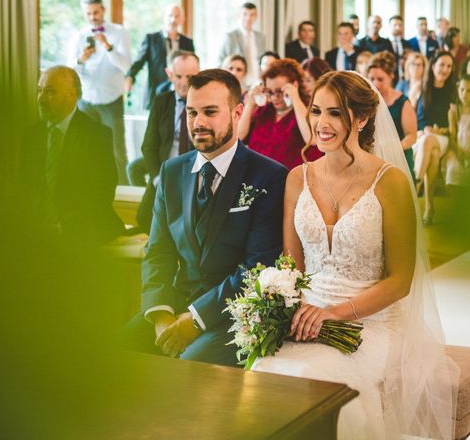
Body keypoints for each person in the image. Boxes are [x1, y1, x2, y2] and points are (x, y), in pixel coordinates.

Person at [251, 70, 457, 440]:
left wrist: (334, 313)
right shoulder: (297, 178)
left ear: (361, 119)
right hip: (308, 317)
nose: (321, 124)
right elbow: (291, 264)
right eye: (316, 111)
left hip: (371, 322)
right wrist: (285, 309)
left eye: (335, 113)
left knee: (320, 385)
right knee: (264, 376)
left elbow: (400, 281)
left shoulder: (390, 181)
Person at [122, 69, 288, 366]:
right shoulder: (171, 172)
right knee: (117, 352)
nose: (197, 123)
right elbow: (158, 252)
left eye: (210, 112)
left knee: (187, 367)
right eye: (191, 112)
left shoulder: (270, 177)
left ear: (238, 113)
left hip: (230, 315)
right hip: (172, 305)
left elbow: (256, 267)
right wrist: (161, 316)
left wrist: (196, 319)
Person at [19, 66, 124, 241]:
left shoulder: (96, 135)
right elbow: (24, 188)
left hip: (81, 233)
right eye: (39, 91)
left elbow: (101, 193)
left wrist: (65, 228)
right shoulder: (31, 135)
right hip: (36, 234)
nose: (41, 99)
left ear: (72, 95)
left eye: (50, 92)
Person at [68, 0, 131, 184]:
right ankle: (89, 187)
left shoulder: (120, 33)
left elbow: (126, 66)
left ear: (103, 10)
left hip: (111, 101)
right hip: (85, 101)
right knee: (85, 147)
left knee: (117, 150)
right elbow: (69, 69)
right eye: (88, 14)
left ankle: (123, 191)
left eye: (95, 12)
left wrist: (108, 46)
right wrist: (81, 59)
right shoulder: (79, 36)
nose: (92, 17)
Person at [135, 50, 201, 233]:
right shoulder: (161, 102)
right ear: (169, 74)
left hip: (196, 174)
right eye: (178, 76)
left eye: (190, 76)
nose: (184, 82)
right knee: (144, 219)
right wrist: (156, 178)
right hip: (164, 174)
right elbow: (148, 146)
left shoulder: (206, 105)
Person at [239, 59, 322, 170]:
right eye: (270, 91)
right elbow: (238, 137)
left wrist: (295, 98)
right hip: (257, 179)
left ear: (294, 85)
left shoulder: (308, 108)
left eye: (279, 91)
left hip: (292, 181)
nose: (274, 97)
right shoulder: (264, 110)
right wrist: (250, 104)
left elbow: (312, 139)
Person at [125, 5, 195, 111]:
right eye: (170, 15)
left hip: (181, 93)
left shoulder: (187, 42)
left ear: (182, 19)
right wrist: (130, 77)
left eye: (177, 16)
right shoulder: (151, 39)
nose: (173, 20)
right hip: (156, 92)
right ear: (164, 17)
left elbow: (193, 66)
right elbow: (139, 61)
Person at [413, 51, 456, 224]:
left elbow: (455, 125)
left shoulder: (453, 90)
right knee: (433, 154)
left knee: (429, 142)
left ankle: (413, 191)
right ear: (433, 66)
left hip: (442, 137)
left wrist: (440, 131)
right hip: (421, 136)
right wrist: (420, 130)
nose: (445, 69)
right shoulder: (419, 88)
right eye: (442, 65)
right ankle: (429, 208)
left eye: (449, 66)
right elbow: (411, 118)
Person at [367, 52, 417, 178]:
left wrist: (394, 150)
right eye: (372, 79)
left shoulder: (402, 102)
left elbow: (412, 136)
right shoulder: (365, 102)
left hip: (399, 156)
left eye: (380, 79)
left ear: (391, 76)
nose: (376, 84)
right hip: (372, 157)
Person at [217, 2, 267, 86]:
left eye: (252, 15)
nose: (248, 18)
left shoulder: (261, 37)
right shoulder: (230, 37)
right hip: (237, 82)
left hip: (257, 82)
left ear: (256, 17)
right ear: (239, 15)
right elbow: (220, 62)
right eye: (245, 14)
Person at [388, 15, 409, 80]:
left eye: (400, 25)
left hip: (404, 77)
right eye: (395, 25)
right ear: (389, 26)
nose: (398, 28)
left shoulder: (406, 43)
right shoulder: (384, 43)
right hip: (389, 76)